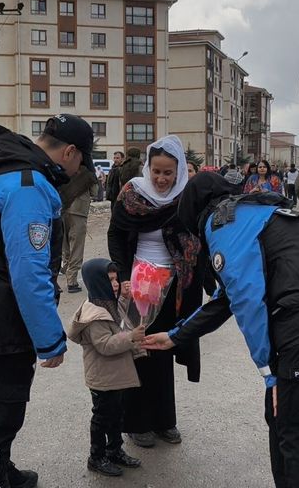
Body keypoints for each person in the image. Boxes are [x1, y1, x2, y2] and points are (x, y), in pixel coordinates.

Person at [143, 173, 299, 488]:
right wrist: (175, 336)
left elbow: (248, 301)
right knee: (282, 416)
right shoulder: (255, 209)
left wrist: (270, 373)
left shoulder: (222, 224)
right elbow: (224, 299)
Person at [0, 114, 95, 488]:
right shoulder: (28, 185)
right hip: (6, 316)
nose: (77, 169)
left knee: (4, 401)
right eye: (81, 161)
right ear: (70, 152)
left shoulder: (1, 170)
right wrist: (49, 339)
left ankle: (0, 469)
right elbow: (28, 272)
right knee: (0, 409)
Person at [107, 135, 204, 448]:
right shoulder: (132, 194)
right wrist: (122, 274)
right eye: (156, 171)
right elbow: (116, 235)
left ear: (178, 172)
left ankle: (164, 420)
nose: (161, 179)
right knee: (139, 350)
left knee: (164, 349)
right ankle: (135, 422)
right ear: (148, 167)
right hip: (138, 284)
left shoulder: (187, 197)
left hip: (176, 286)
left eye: (168, 173)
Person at [67, 259, 145, 477]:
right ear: (96, 282)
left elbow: (118, 318)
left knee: (117, 414)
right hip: (103, 378)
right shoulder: (95, 315)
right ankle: (97, 456)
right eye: (109, 280)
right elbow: (105, 345)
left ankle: (114, 450)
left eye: (115, 279)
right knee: (102, 417)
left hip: (114, 376)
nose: (115, 284)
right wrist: (131, 337)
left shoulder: (106, 303)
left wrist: (124, 298)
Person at [59, 169, 99, 293]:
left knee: (64, 245)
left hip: (62, 209)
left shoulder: (64, 167)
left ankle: (65, 269)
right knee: (77, 246)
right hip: (79, 212)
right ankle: (71, 280)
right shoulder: (87, 173)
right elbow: (94, 192)